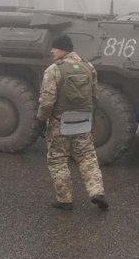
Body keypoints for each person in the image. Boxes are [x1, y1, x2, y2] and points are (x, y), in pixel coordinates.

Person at [36, 34, 108, 211]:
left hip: (60, 123)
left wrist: (40, 120)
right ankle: (97, 192)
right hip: (83, 121)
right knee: (87, 157)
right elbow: (94, 94)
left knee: (58, 160)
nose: (52, 50)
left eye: (55, 47)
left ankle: (65, 200)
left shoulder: (53, 70)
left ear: (63, 49)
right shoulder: (88, 66)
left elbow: (47, 100)